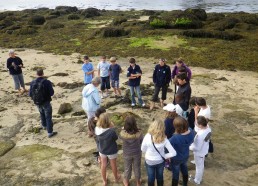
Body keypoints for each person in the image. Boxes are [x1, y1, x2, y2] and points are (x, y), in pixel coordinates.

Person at [141, 119, 177, 186]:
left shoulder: (147, 136)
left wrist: (148, 152)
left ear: (152, 126)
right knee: (160, 177)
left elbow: (142, 149)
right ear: (163, 128)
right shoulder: (164, 139)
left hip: (149, 161)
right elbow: (174, 153)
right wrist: (164, 156)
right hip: (160, 161)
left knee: (151, 178)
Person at [29, 69, 57, 138]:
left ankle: (44, 126)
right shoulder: (47, 82)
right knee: (48, 117)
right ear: (43, 74)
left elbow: (30, 94)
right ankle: (50, 132)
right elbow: (52, 93)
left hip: (37, 102)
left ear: (36, 74)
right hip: (46, 101)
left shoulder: (32, 82)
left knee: (41, 113)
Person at [95, 113, 121, 186]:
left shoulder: (97, 129)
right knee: (113, 164)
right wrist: (112, 127)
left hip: (102, 149)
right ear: (108, 121)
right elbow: (116, 138)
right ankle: (116, 178)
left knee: (103, 165)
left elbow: (97, 139)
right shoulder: (111, 131)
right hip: (111, 150)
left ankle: (104, 181)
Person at [169, 116, 195, 186]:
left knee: (176, 173)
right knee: (184, 168)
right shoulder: (191, 132)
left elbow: (166, 147)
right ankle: (185, 184)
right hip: (185, 155)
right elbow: (190, 131)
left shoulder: (174, 138)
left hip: (176, 158)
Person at [119, 116, 143, 186]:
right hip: (137, 153)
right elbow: (141, 141)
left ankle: (126, 182)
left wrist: (123, 129)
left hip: (127, 153)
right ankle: (138, 182)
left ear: (125, 125)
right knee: (137, 167)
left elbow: (119, 138)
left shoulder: (122, 134)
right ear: (135, 124)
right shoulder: (139, 133)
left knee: (127, 167)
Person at [189, 116, 212, 185]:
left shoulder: (200, 135)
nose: (195, 123)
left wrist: (189, 147)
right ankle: (198, 178)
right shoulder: (208, 128)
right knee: (200, 166)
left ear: (200, 125)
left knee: (199, 167)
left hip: (199, 153)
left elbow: (197, 147)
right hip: (204, 150)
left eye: (196, 123)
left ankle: (197, 181)